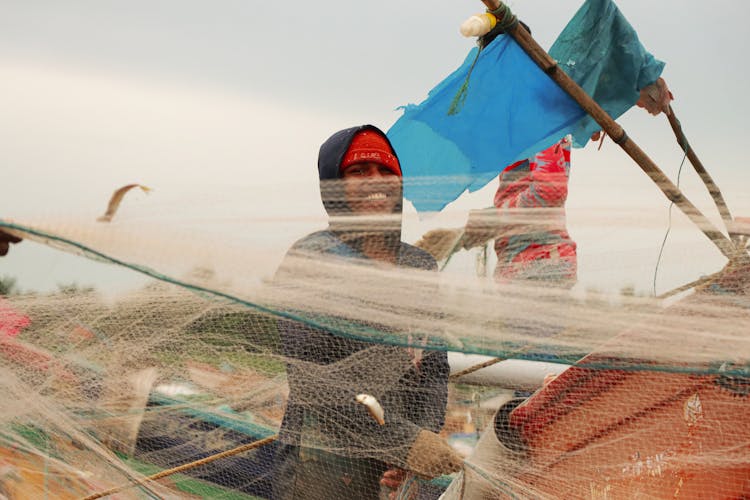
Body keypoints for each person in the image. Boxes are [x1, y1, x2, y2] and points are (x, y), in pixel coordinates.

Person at [272, 125, 461, 500]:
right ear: (333, 186)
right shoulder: (313, 259)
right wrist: (403, 443)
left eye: (385, 170)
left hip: (395, 473)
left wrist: (421, 439)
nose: (376, 180)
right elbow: (313, 383)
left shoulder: (418, 265)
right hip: (321, 466)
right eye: (358, 172)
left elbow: (434, 365)